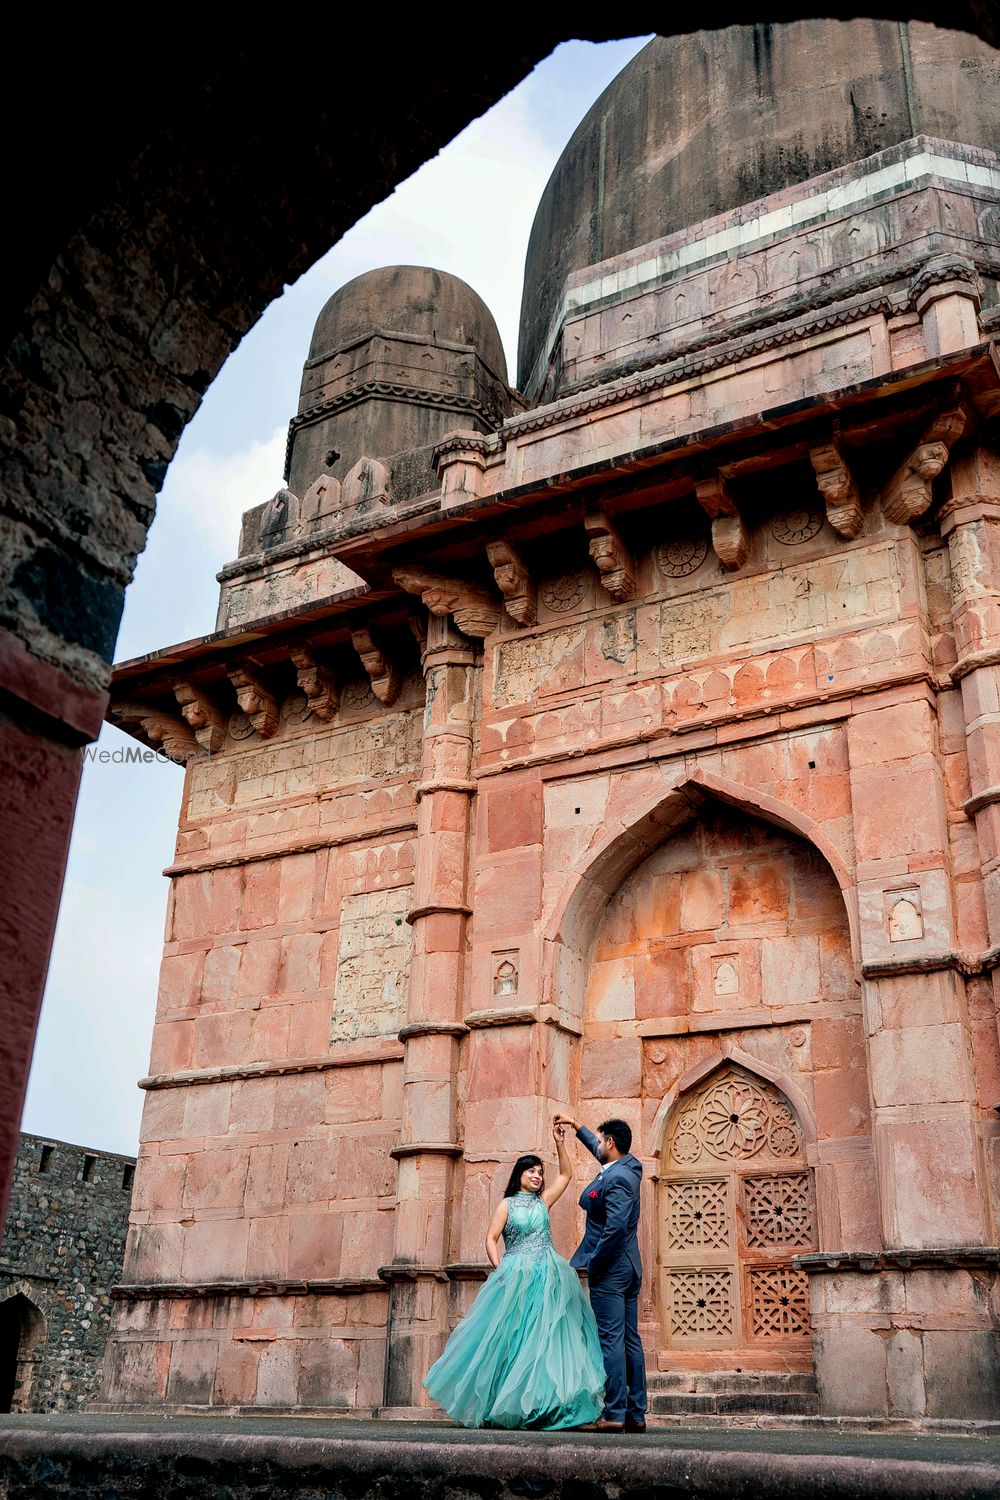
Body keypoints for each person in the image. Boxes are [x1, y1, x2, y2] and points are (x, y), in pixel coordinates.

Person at [422, 1121, 605, 1428]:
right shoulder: (506, 1205)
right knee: (511, 1340)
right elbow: (491, 1238)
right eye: (531, 1171)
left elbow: (566, 1175)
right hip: (516, 1274)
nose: (537, 1176)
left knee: (547, 1340)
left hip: (548, 1276)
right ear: (519, 1175)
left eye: (539, 1172)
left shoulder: (543, 1201)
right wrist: (501, 1269)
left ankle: (548, 1405)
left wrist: (560, 1142)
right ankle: (507, 1404)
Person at [554, 1114, 647, 1433]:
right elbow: (597, 1148)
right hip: (628, 1266)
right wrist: (574, 1124)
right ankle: (635, 1413)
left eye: (601, 1139)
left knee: (612, 1341)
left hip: (612, 1269)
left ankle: (614, 1413)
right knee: (630, 1340)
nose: (598, 1144)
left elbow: (617, 1227)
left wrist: (594, 1262)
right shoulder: (628, 1166)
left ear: (611, 1143)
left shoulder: (618, 1178)